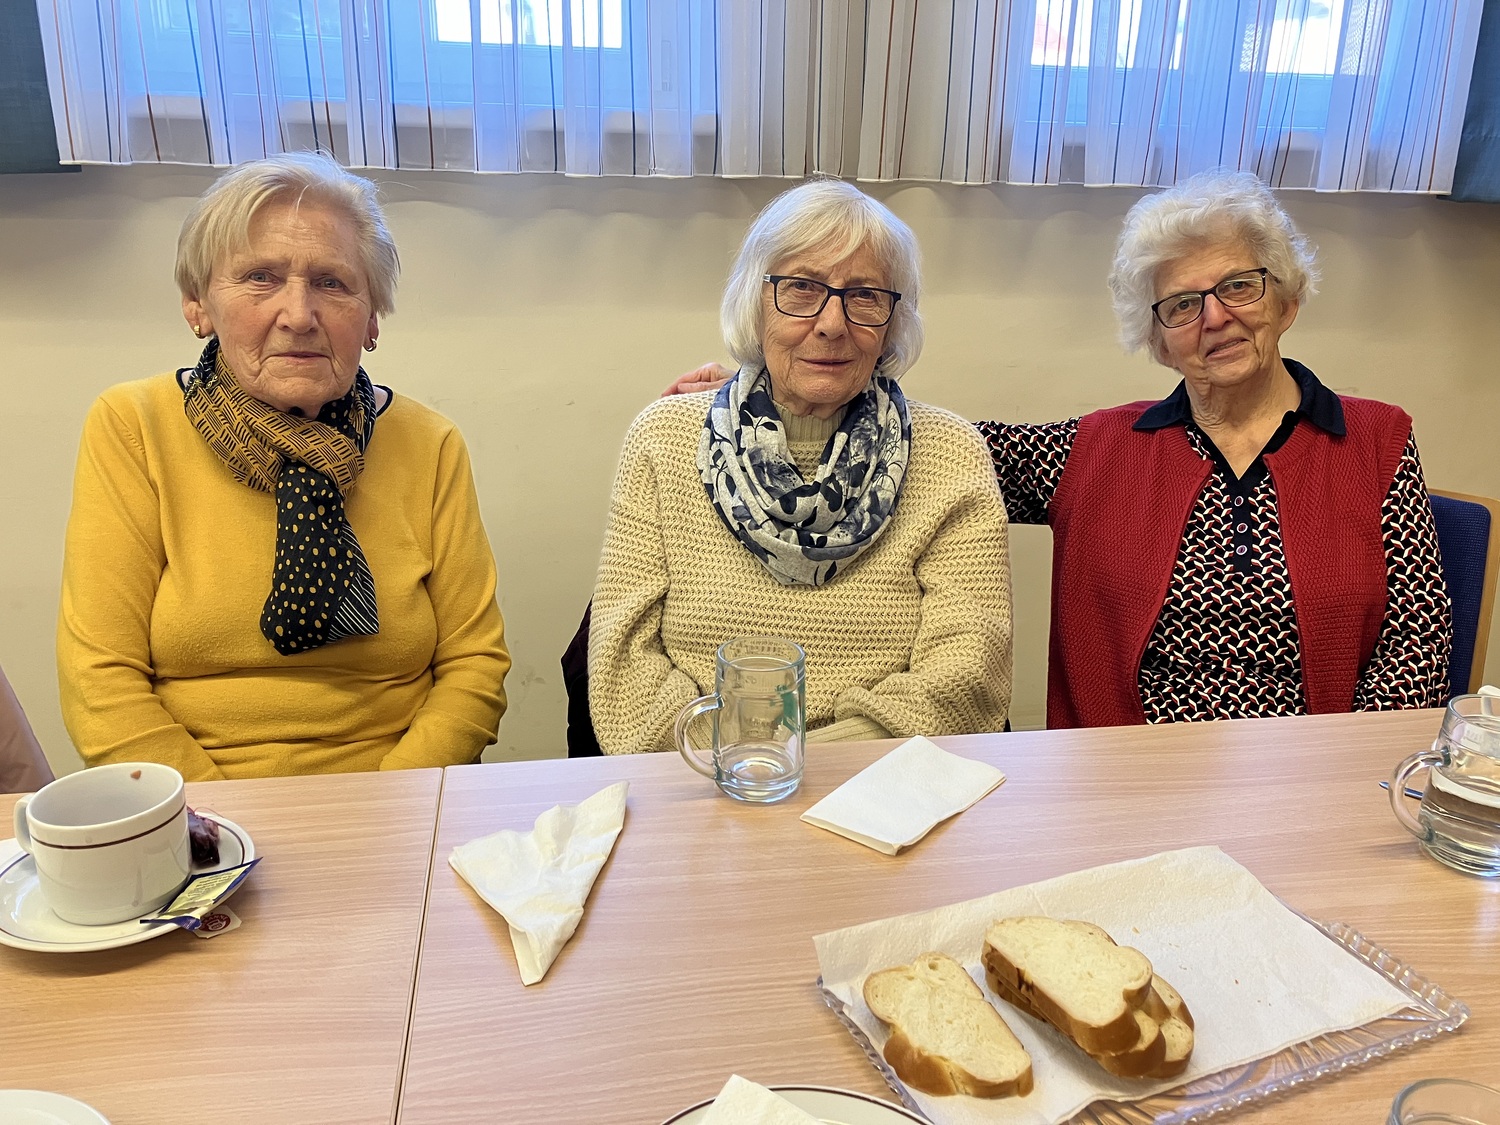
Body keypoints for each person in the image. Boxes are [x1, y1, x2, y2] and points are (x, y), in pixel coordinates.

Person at [670, 170, 1451, 728]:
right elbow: (925, 448)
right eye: (1182, 304)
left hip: (1310, 785)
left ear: (1287, 297)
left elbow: (1416, 650)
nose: (1214, 318)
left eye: (1239, 287)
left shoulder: (1377, 442)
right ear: (1157, 337)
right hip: (1120, 791)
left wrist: (1332, 783)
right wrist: (755, 403)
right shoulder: (1097, 451)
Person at [58, 153, 509, 779]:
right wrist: (220, 820)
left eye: (332, 283)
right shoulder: (134, 426)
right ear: (198, 306)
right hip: (198, 805)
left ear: (372, 318)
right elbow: (99, 682)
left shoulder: (428, 443)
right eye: (260, 278)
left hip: (400, 794)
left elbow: (474, 667)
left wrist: (390, 805)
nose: (299, 315)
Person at [590, 179, 1013, 754]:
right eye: (801, 287)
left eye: (865, 295)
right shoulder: (663, 439)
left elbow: (968, 669)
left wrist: (807, 764)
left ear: (893, 322)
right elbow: (624, 669)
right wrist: (741, 760)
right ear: (755, 303)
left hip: (886, 777)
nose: (832, 323)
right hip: (699, 772)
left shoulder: (953, 454)